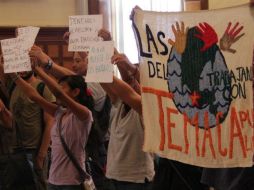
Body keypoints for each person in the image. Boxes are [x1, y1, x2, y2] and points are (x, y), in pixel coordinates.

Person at [10, 62, 94, 190]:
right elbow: (33, 96)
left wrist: (39, 71)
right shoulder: (60, 112)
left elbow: (59, 94)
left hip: (72, 182)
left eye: (62, 87)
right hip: (54, 180)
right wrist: (14, 75)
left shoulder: (84, 115)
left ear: (76, 91)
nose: (57, 91)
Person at [0, 54, 55, 190]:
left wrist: (41, 155)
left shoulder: (42, 87)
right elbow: (12, 120)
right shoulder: (13, 86)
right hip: (16, 150)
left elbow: (50, 123)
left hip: (35, 150)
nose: (22, 68)